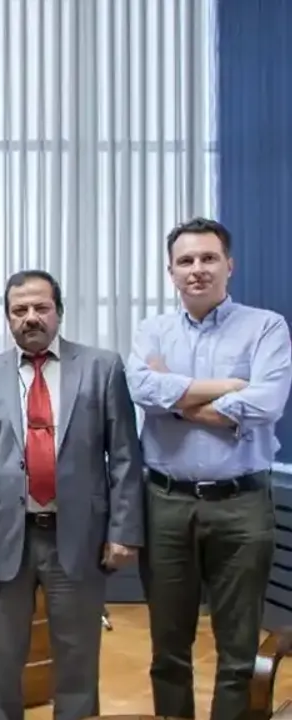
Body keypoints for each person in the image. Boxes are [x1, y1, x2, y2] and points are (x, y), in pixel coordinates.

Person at [126, 217, 291, 720]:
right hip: (166, 503)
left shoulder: (266, 327)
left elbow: (266, 403)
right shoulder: (152, 331)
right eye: (185, 260)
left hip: (242, 504)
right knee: (168, 650)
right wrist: (231, 387)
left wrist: (176, 398)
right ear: (171, 272)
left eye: (208, 258)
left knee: (238, 651)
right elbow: (142, 389)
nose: (197, 269)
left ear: (229, 265)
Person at [0, 270, 142, 720]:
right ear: (8, 318)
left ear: (58, 311)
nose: (31, 317)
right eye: (19, 310)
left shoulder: (102, 367)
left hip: (77, 536)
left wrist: (123, 531)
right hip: (4, 537)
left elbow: (124, 455)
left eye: (41, 307)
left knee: (77, 661)